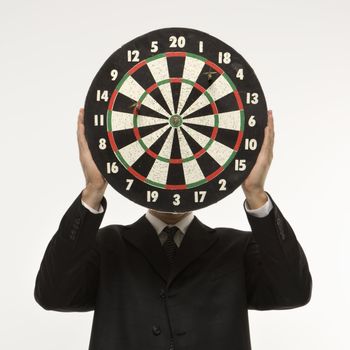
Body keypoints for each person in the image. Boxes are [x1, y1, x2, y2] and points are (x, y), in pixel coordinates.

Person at [34, 108, 312, 350]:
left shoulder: (237, 250)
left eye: (185, 166)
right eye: (164, 163)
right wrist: (93, 189)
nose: (173, 179)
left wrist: (255, 192)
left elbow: (294, 291)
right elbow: (52, 293)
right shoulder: (107, 246)